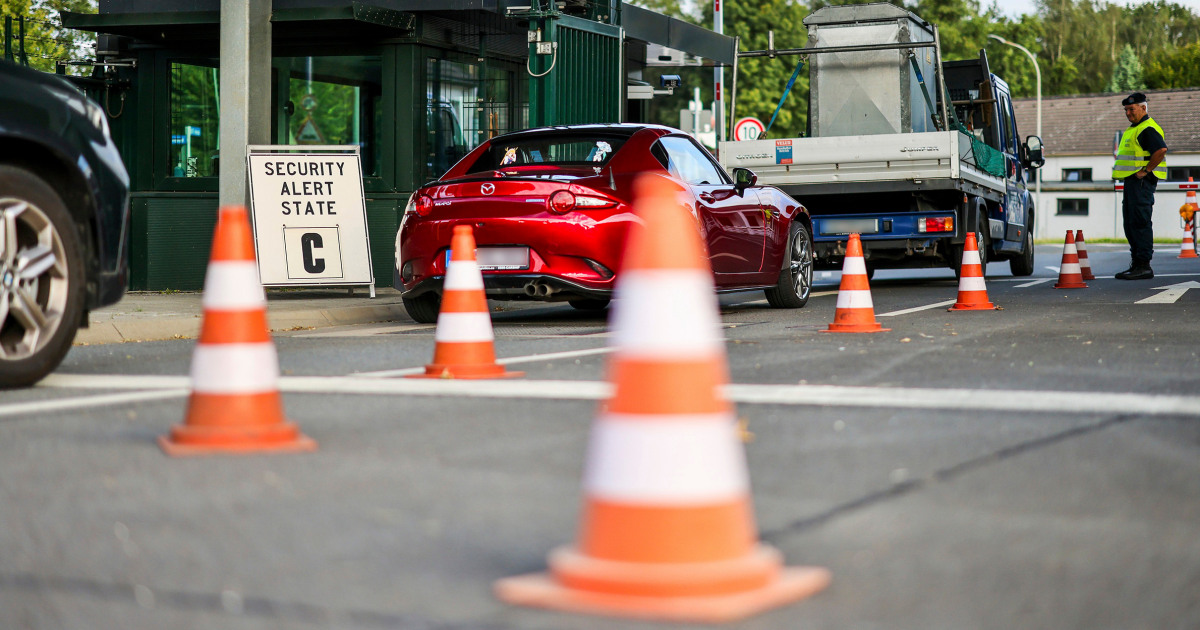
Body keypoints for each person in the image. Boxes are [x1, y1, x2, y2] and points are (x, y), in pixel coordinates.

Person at [1112, 92, 1168, 280]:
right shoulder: (1135, 128)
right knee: (1131, 222)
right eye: (1126, 110)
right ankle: (1137, 264)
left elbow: (1160, 150)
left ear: (1143, 108)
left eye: (1131, 109)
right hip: (1134, 182)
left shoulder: (1147, 128)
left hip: (1141, 182)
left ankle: (1143, 265)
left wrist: (1146, 170)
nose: (1128, 113)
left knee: (1140, 222)